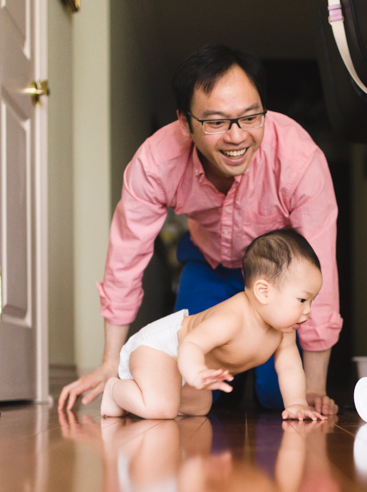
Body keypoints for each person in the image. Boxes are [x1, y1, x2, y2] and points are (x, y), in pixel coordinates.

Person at [58, 44, 342, 416]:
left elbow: (317, 268)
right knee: (195, 394)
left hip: (277, 277)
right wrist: (111, 361)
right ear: (185, 122)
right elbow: (126, 257)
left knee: (280, 397)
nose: (237, 137)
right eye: (215, 122)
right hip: (207, 263)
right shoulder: (156, 162)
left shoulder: (300, 160)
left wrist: (315, 387)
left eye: (249, 117)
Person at [100, 229, 326, 421]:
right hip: (162, 348)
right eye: (302, 300)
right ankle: (114, 390)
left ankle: (160, 392)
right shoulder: (232, 318)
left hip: (188, 363)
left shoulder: (283, 331)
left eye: (311, 301)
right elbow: (192, 343)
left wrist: (297, 404)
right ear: (263, 291)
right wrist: (195, 371)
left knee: (199, 408)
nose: (308, 310)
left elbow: (289, 368)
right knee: (162, 409)